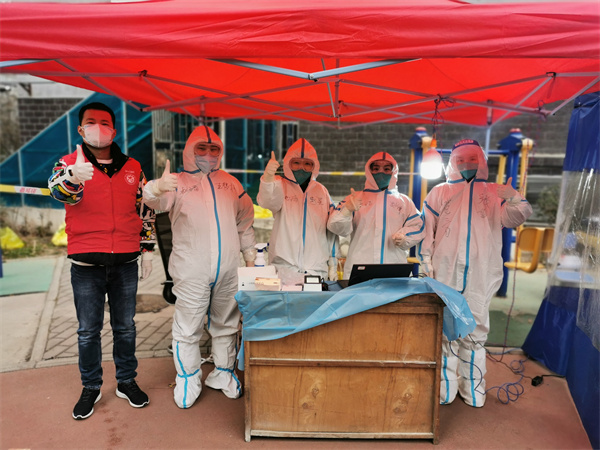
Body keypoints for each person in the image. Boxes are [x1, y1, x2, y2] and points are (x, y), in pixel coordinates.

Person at [48, 102, 155, 420]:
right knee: (87, 331)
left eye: (105, 122)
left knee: (125, 328)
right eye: (91, 122)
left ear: (114, 130)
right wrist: (71, 177)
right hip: (86, 265)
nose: (99, 128)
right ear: (80, 129)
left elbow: (145, 207)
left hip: (125, 261)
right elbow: (59, 192)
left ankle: (126, 381)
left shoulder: (133, 166)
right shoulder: (68, 163)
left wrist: (147, 249)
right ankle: (91, 386)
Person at [143, 125, 256, 409]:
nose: (208, 154)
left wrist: (250, 258)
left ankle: (223, 373)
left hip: (228, 269)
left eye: (213, 148)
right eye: (201, 148)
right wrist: (156, 187)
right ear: (190, 151)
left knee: (226, 324)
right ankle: (188, 377)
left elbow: (245, 221)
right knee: (188, 326)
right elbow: (154, 202)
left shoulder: (231, 183)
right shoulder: (176, 182)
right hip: (191, 269)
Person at [418, 138, 532, 408]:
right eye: (460, 160)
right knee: (446, 329)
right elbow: (426, 231)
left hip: (482, 271)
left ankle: (473, 390)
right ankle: (445, 389)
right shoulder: (439, 192)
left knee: (477, 328)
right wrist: (426, 262)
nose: (466, 164)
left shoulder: (494, 192)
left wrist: (513, 198)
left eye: (472, 159)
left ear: (481, 161)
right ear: (452, 163)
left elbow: (515, 217)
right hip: (445, 270)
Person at [328, 151, 424, 279]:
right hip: (360, 268)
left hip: (394, 267)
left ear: (394, 172)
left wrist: (405, 237)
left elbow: (419, 226)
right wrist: (347, 210)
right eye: (376, 168)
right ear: (369, 171)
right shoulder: (355, 199)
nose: (381, 172)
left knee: (395, 293)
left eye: (386, 169)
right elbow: (335, 228)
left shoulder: (404, 202)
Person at [257, 138, 338, 285]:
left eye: (307, 164)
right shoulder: (279, 185)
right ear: (288, 163)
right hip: (284, 268)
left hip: (315, 269)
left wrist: (333, 262)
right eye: (296, 163)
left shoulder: (321, 191)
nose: (301, 168)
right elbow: (267, 201)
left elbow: (332, 229)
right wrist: (268, 179)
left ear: (314, 166)